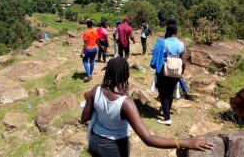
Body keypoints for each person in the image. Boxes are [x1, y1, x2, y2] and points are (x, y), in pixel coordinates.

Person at [81, 57, 215, 157]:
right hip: (114, 148)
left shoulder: (95, 90)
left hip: (94, 143)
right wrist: (185, 142)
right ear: (126, 74)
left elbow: (84, 118)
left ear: (107, 73)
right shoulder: (125, 102)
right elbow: (148, 139)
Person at [152, 23, 186, 125]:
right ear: (176, 32)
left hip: (164, 70)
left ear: (167, 31)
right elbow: (183, 62)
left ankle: (167, 118)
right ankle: (166, 110)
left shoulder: (163, 42)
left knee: (163, 93)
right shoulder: (181, 44)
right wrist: (181, 73)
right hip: (176, 71)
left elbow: (156, 55)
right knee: (170, 92)